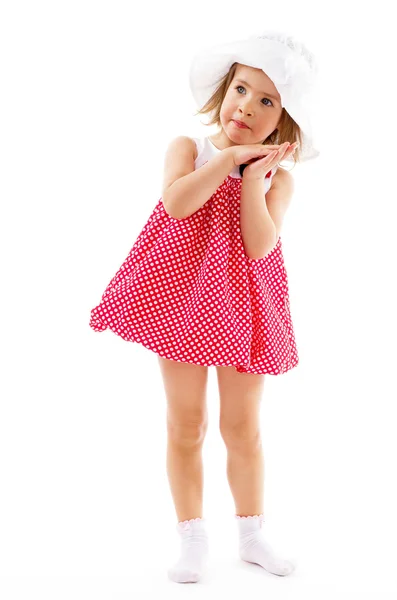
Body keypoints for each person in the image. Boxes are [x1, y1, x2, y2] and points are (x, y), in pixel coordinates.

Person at [89, 29, 320, 584]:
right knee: (186, 423)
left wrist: (252, 178)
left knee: (243, 427)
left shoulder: (277, 179)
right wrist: (229, 160)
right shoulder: (189, 149)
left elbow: (259, 244)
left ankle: (252, 533)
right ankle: (192, 536)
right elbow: (177, 200)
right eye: (242, 89)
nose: (248, 106)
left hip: (240, 309)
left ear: (284, 122)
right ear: (224, 89)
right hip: (180, 304)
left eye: (268, 101)